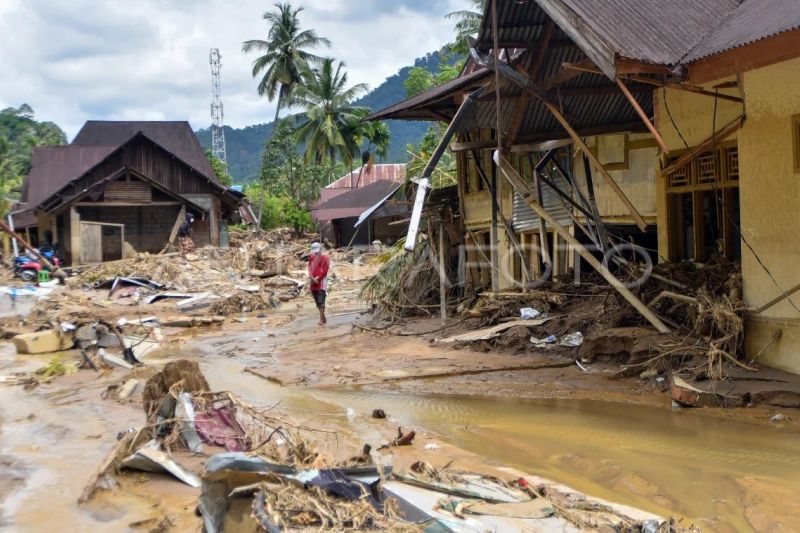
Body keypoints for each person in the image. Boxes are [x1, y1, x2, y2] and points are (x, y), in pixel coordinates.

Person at [307, 242, 330, 325]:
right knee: (317, 302)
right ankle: (323, 318)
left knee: (321, 301)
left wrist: (317, 278)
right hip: (313, 282)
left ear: (320, 249)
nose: (316, 253)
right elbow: (309, 267)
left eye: (317, 251)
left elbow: (325, 270)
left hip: (321, 283)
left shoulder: (325, 257)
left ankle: (321, 319)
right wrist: (311, 276)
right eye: (315, 251)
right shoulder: (312, 257)